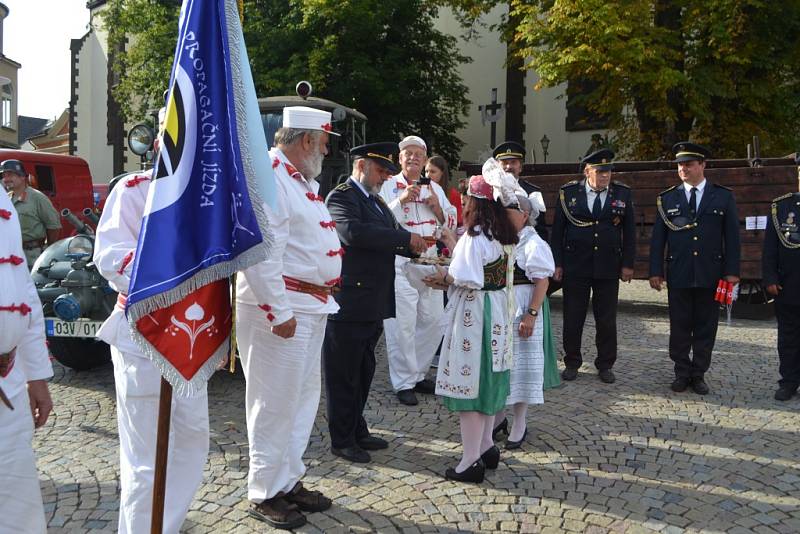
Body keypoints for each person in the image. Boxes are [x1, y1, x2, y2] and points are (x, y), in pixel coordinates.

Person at [236, 106, 341, 529]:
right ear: (306, 141)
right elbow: (261, 250)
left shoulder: (300, 181)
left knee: (300, 401)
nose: (327, 151)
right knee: (272, 402)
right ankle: (263, 491)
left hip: (310, 305)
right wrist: (277, 310)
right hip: (282, 308)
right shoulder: (271, 178)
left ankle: (287, 479)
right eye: (324, 143)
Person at [94, 170, 210, 534]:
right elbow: (111, 257)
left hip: (193, 339)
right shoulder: (134, 190)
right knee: (146, 459)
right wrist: (175, 281)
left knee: (190, 443)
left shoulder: (207, 194)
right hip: (145, 332)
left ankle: (166, 526)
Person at [323, 143, 428, 464]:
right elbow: (353, 233)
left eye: (386, 172)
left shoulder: (377, 200)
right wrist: (404, 239)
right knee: (344, 373)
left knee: (365, 368)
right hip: (350, 300)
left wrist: (416, 245)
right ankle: (341, 438)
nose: (385, 177)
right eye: (381, 170)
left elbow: (394, 231)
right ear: (362, 166)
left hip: (374, 299)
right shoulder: (341, 196)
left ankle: (357, 427)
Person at [424, 166, 523, 484]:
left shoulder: (475, 236)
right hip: (498, 314)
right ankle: (486, 445)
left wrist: (442, 278)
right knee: (489, 382)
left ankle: (470, 460)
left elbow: (465, 277)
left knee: (471, 387)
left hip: (475, 317)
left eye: (466, 198)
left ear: (475, 202)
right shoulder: (505, 235)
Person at [649, 142, 740, 395]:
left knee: (705, 326)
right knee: (679, 325)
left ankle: (698, 373)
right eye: (680, 164)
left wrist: (732, 272)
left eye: (689, 164)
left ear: (703, 165)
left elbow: (732, 237)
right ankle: (681, 371)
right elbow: (659, 239)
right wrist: (655, 270)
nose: (683, 169)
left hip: (710, 273)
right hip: (679, 272)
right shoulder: (668, 198)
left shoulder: (722, 196)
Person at [379, 135, 458, 406]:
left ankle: (418, 373)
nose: (413, 158)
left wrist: (437, 208)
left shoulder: (434, 187)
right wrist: (401, 200)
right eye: (408, 153)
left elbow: (451, 221)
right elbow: (379, 221)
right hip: (399, 263)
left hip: (430, 260)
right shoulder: (388, 184)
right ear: (399, 158)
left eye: (418, 154)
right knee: (402, 326)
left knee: (435, 321)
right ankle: (403, 382)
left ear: (425, 160)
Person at [550, 149, 636, 384]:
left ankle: (606, 364)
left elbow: (629, 232)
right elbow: (557, 232)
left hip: (608, 266)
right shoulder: (569, 194)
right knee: (573, 316)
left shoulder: (622, 194)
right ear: (587, 171)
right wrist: (557, 263)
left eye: (608, 172)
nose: (605, 176)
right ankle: (572, 361)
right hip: (576, 265)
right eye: (600, 172)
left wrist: (627, 264)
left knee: (606, 319)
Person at [0, 191, 53, 534]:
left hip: (10, 383)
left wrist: (36, 375)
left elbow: (24, 292)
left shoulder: (2, 199)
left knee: (17, 506)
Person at [494, 192, 554, 450]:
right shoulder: (501, 240)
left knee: (521, 369)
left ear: (525, 215)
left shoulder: (533, 243)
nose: (504, 217)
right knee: (501, 364)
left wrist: (530, 315)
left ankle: (520, 421)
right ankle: (498, 416)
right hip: (501, 310)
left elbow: (543, 281)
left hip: (523, 310)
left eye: (509, 213)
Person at [762, 186, 800, 401]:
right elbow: (770, 247)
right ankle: (788, 382)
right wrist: (770, 277)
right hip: (789, 284)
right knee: (788, 337)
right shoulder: (782, 206)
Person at [2, 159, 61, 268]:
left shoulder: (37, 198)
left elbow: (54, 226)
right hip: (12, 255)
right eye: (4, 176)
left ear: (22, 176)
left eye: (10, 175)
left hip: (33, 256)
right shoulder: (7, 199)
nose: (5, 179)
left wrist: (48, 250)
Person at [492, 141, 547, 240]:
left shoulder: (533, 192)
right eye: (504, 163)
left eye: (513, 162)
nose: (508, 167)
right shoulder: (491, 190)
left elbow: (540, 229)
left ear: (520, 167)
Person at [426, 155, 462, 228]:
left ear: (442, 173)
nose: (428, 175)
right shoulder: (422, 190)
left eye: (433, 172)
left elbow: (458, 221)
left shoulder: (453, 194)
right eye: (426, 171)